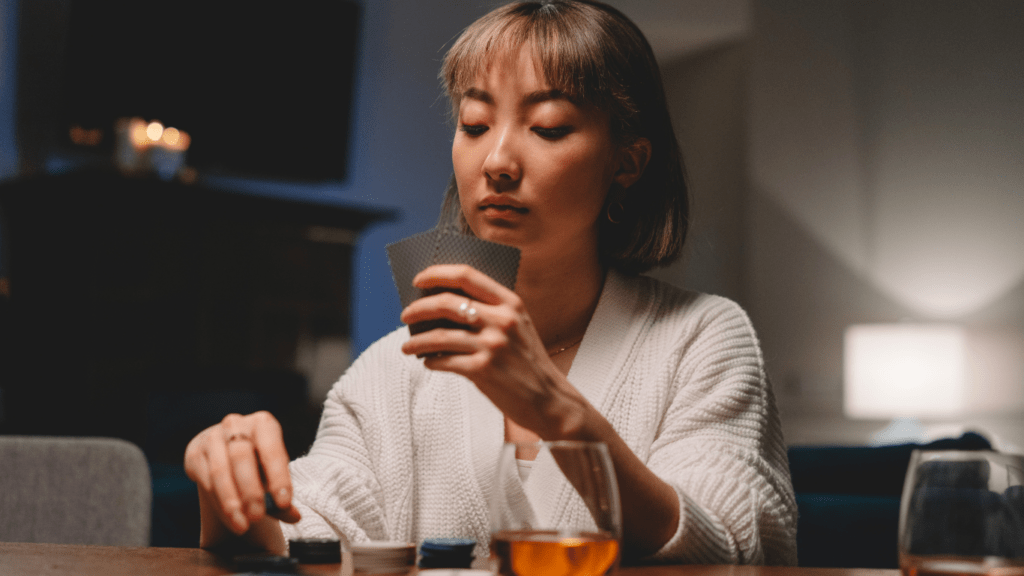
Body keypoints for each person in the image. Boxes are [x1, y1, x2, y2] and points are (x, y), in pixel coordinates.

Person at [184, 0, 798, 565]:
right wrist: (232, 493)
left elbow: (733, 549)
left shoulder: (704, 339)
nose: (497, 163)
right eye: (475, 125)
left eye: (549, 127)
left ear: (628, 162)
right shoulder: (392, 373)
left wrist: (554, 409)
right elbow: (303, 538)